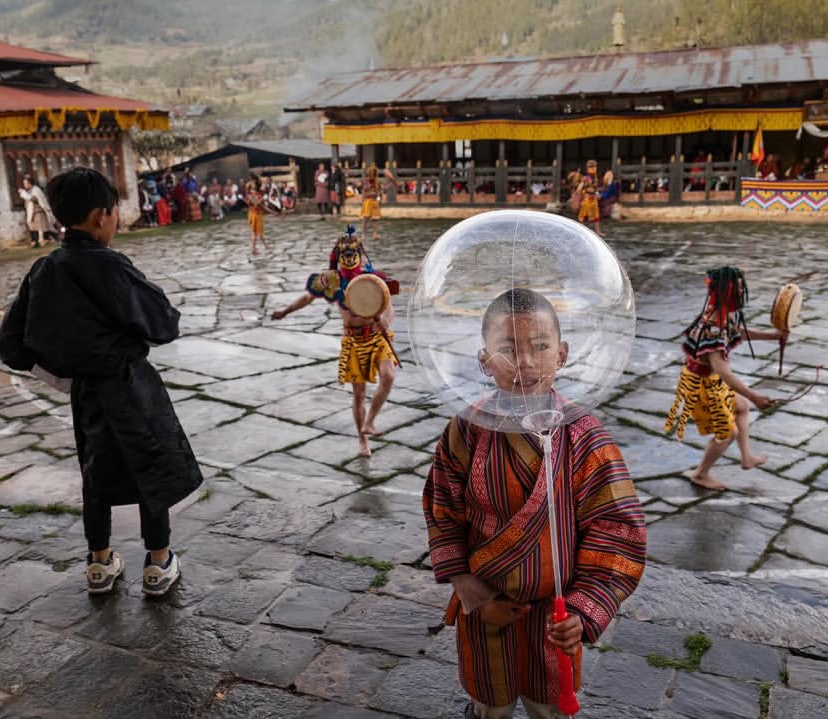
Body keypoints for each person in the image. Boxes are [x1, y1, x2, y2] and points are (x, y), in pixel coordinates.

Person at [423, 288, 646, 719]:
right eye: (507, 350)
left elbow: (616, 528)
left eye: (539, 347)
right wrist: (468, 590)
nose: (524, 363)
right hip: (485, 608)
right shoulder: (466, 431)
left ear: (561, 354)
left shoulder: (584, 436)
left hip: (556, 616)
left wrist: (584, 609)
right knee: (492, 705)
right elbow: (441, 508)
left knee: (550, 708)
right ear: (485, 361)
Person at [0, 167, 203, 597]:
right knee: (149, 466)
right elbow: (163, 322)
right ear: (98, 217)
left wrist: (58, 376)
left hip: (86, 392)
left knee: (95, 473)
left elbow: (11, 345)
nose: (115, 222)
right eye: (113, 214)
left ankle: (99, 562)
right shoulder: (110, 266)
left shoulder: (44, 270)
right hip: (129, 386)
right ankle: (159, 562)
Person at [270, 226, 397, 457]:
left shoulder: (372, 277)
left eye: (352, 253)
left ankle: (370, 421)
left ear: (359, 253)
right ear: (337, 256)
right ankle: (362, 440)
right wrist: (285, 311)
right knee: (359, 394)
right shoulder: (330, 281)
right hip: (354, 340)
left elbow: (388, 305)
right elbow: (307, 298)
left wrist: (385, 322)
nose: (349, 258)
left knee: (388, 376)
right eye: (344, 254)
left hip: (376, 336)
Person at [664, 266, 786, 490]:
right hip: (699, 384)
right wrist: (756, 396)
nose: (741, 290)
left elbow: (736, 331)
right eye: (737, 287)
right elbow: (724, 372)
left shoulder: (725, 313)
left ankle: (746, 457)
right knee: (727, 433)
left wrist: (773, 336)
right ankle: (700, 474)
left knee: (741, 407)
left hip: (709, 380)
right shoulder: (713, 325)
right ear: (726, 291)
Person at [19, 175, 55, 248]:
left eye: (26, 183)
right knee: (33, 227)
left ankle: (44, 240)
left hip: (38, 212)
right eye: (24, 184)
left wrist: (24, 194)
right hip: (32, 213)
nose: (25, 185)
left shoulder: (36, 190)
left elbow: (34, 199)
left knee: (41, 227)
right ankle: (35, 242)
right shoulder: (29, 191)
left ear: (30, 183)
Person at [359, 164, 387, 243]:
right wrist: (364, 199)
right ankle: (363, 234)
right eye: (371, 174)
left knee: (375, 219)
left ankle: (375, 234)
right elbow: (364, 193)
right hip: (367, 201)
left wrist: (380, 198)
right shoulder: (365, 181)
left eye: (373, 174)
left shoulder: (377, 181)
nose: (372, 176)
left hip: (374, 201)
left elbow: (379, 191)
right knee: (365, 219)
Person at [246, 176, 271, 255]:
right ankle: (253, 249)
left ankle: (265, 245)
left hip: (252, 214)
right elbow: (259, 205)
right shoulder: (257, 195)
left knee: (259, 231)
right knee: (255, 233)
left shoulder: (250, 194)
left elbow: (262, 206)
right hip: (255, 215)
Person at [576, 160, 601, 235]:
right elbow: (580, 187)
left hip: (594, 199)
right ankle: (580, 231)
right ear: (588, 168)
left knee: (596, 215)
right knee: (583, 215)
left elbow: (596, 188)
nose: (594, 169)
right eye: (591, 167)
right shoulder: (585, 178)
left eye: (595, 167)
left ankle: (597, 231)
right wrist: (579, 194)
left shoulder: (596, 178)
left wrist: (597, 193)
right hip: (587, 198)